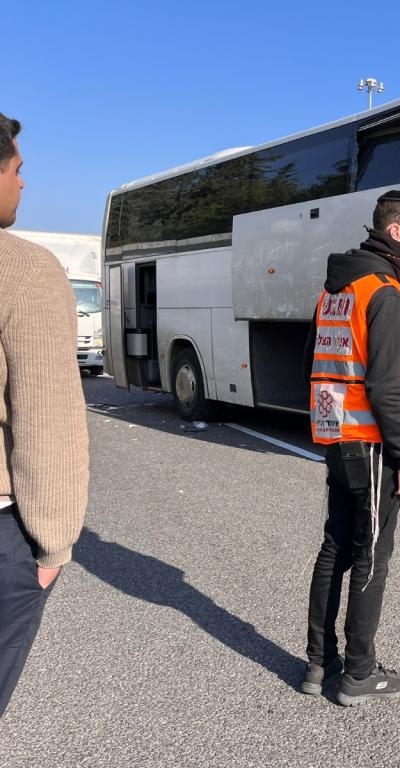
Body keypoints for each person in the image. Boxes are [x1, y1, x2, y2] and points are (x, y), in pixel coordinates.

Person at [302, 189, 400, 707]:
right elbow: (385, 388)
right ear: (396, 232)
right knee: (372, 554)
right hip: (373, 444)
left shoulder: (337, 291)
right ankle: (359, 672)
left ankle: (319, 662)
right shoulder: (385, 295)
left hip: (336, 436)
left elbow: (311, 363)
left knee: (336, 545)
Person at [0, 113, 89, 717]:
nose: (25, 184)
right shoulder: (24, 270)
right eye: (17, 169)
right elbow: (44, 422)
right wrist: (54, 548)